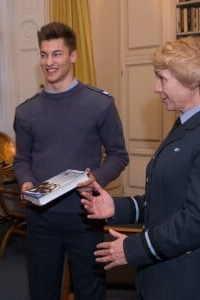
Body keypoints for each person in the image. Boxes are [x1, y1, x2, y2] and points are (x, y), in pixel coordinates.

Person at [13, 21, 129, 300]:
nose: (49, 62)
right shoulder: (26, 111)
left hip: (84, 215)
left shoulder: (100, 103)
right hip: (40, 218)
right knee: (42, 291)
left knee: (90, 290)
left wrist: (96, 179)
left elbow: (118, 154)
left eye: (57, 54)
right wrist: (26, 181)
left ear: (73, 55)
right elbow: (22, 159)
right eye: (43, 54)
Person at [80, 36, 200, 300]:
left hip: (185, 281)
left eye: (162, 78)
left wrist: (133, 249)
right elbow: (163, 199)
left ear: (191, 81)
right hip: (161, 275)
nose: (156, 88)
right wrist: (117, 207)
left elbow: (194, 222)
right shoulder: (184, 124)